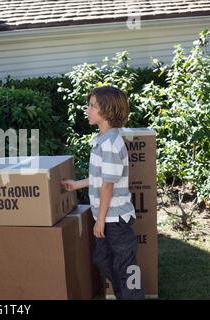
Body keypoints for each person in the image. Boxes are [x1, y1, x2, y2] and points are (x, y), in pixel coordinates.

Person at [61, 86, 145, 300]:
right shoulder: (102, 139)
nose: (87, 110)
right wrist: (76, 184)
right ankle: (124, 296)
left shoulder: (110, 143)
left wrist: (100, 221)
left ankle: (133, 297)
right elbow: (102, 176)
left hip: (114, 219)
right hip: (107, 217)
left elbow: (108, 186)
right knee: (104, 260)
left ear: (106, 111)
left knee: (126, 268)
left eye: (92, 106)